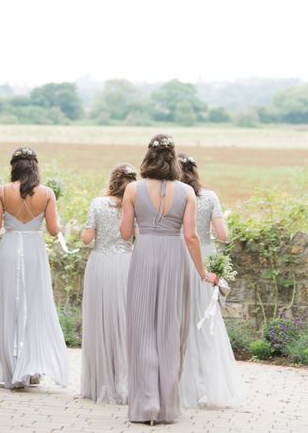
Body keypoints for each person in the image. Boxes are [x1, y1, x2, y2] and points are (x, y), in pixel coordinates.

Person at [120, 134, 217, 425]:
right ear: (173, 159)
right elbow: (190, 236)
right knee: (171, 330)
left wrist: (144, 225)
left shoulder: (133, 189)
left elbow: (125, 234)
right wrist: (202, 272)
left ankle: (145, 404)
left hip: (145, 254)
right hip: (176, 258)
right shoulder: (187, 192)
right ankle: (166, 407)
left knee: (142, 328)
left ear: (148, 157)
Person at [0, 146, 69, 390]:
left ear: (14, 167)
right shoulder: (46, 193)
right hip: (34, 250)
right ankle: (32, 367)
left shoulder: (1, 191)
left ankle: (12, 368)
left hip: (10, 249)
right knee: (34, 305)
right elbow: (54, 231)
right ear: (35, 168)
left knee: (8, 305)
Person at [178, 154, 244, 408]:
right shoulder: (209, 197)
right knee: (205, 321)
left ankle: (183, 384)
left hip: (177, 256)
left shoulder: (174, 195)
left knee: (179, 318)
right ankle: (209, 383)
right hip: (204, 256)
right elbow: (223, 235)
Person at [80, 163, 137, 404]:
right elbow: (137, 236)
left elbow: (86, 239)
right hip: (126, 264)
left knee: (100, 319)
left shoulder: (97, 203)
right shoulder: (135, 205)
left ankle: (101, 382)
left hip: (101, 265)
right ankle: (126, 382)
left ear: (112, 181)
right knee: (125, 320)